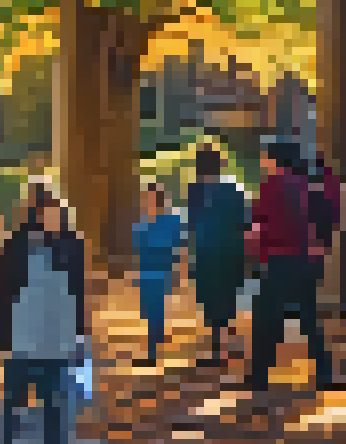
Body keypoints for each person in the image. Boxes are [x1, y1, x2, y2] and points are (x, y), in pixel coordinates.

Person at [0, 185, 88, 444]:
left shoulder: (71, 245)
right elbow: (3, 294)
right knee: (14, 400)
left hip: (56, 341)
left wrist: (79, 335)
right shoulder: (14, 245)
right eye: (41, 209)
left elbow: (78, 293)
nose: (49, 215)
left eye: (52, 209)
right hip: (22, 339)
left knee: (54, 407)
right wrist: (2, 338)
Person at [243, 142, 335, 391]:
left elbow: (261, 224)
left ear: (275, 159)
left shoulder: (271, 185)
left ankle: (260, 376)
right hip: (306, 262)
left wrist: (250, 244)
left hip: (278, 261)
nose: (263, 162)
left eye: (265, 158)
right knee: (309, 320)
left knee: (266, 320)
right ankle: (324, 373)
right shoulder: (307, 186)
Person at [185, 142, 249, 367]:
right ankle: (226, 343)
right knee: (227, 299)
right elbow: (245, 220)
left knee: (211, 304)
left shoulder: (195, 189)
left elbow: (192, 224)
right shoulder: (234, 188)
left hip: (206, 253)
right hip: (231, 252)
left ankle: (218, 349)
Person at [130, 180, 183, 367]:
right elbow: (136, 249)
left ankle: (151, 353)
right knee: (147, 312)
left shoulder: (170, 221)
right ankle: (157, 339)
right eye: (146, 197)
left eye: (151, 197)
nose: (147, 200)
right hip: (145, 273)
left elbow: (177, 248)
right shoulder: (140, 222)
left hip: (160, 273)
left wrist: (178, 270)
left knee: (154, 312)